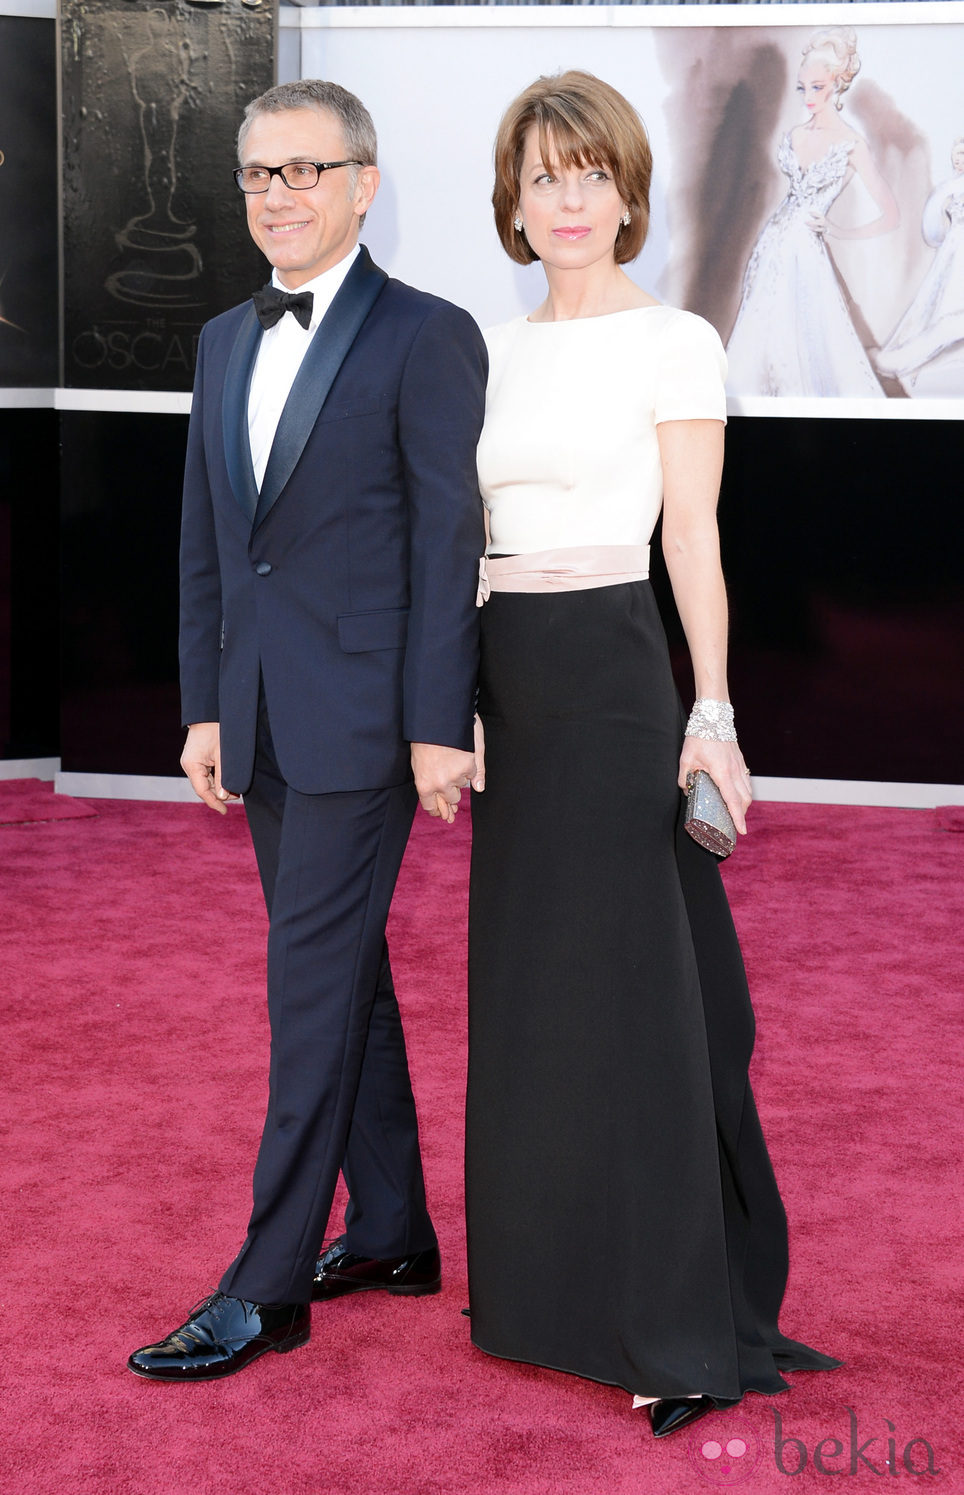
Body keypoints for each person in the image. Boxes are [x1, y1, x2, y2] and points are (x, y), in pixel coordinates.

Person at [465, 70, 840, 1439]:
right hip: (508, 681)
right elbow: (461, 543)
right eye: (541, 173)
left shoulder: (677, 339)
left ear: (629, 191)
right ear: (511, 196)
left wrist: (715, 708)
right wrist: (454, 712)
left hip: (618, 677)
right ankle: (546, 1296)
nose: (566, 197)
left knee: (643, 1006)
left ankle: (679, 1325)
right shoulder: (484, 350)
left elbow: (695, 540)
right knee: (531, 997)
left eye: (590, 172)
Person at [127, 79, 487, 1382]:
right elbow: (211, 541)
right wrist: (207, 700)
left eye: (307, 171)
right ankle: (391, 1228)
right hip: (264, 715)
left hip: (369, 727)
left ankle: (267, 1283)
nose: (280, 195)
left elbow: (450, 540)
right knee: (344, 976)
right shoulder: (225, 336)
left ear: (365, 181)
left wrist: (439, 720)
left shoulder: (427, 334)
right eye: (260, 175)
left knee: (306, 990)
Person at [725, 28, 898, 397]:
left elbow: (891, 215)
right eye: (802, 87)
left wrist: (838, 231)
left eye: (817, 87)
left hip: (806, 250)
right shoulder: (795, 134)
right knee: (760, 332)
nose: (808, 96)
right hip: (771, 244)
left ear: (837, 84)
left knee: (809, 338)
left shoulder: (852, 144)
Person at [876, 137, 964, 393]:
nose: (959, 160)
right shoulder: (947, 189)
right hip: (954, 249)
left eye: (963, 155)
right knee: (946, 296)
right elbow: (932, 230)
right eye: (956, 156)